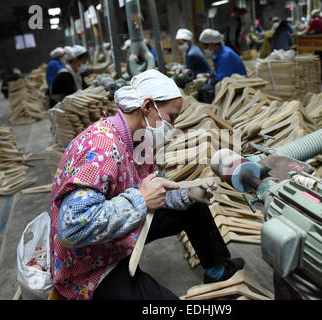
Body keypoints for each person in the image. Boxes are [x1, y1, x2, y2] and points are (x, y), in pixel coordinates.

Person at [49, 69, 245, 300]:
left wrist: (186, 194)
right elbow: (72, 228)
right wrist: (140, 200)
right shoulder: (101, 147)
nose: (171, 127)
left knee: (194, 208)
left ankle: (218, 272)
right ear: (148, 106)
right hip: (90, 260)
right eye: (171, 117)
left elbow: (153, 189)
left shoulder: (139, 141)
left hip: (118, 229)